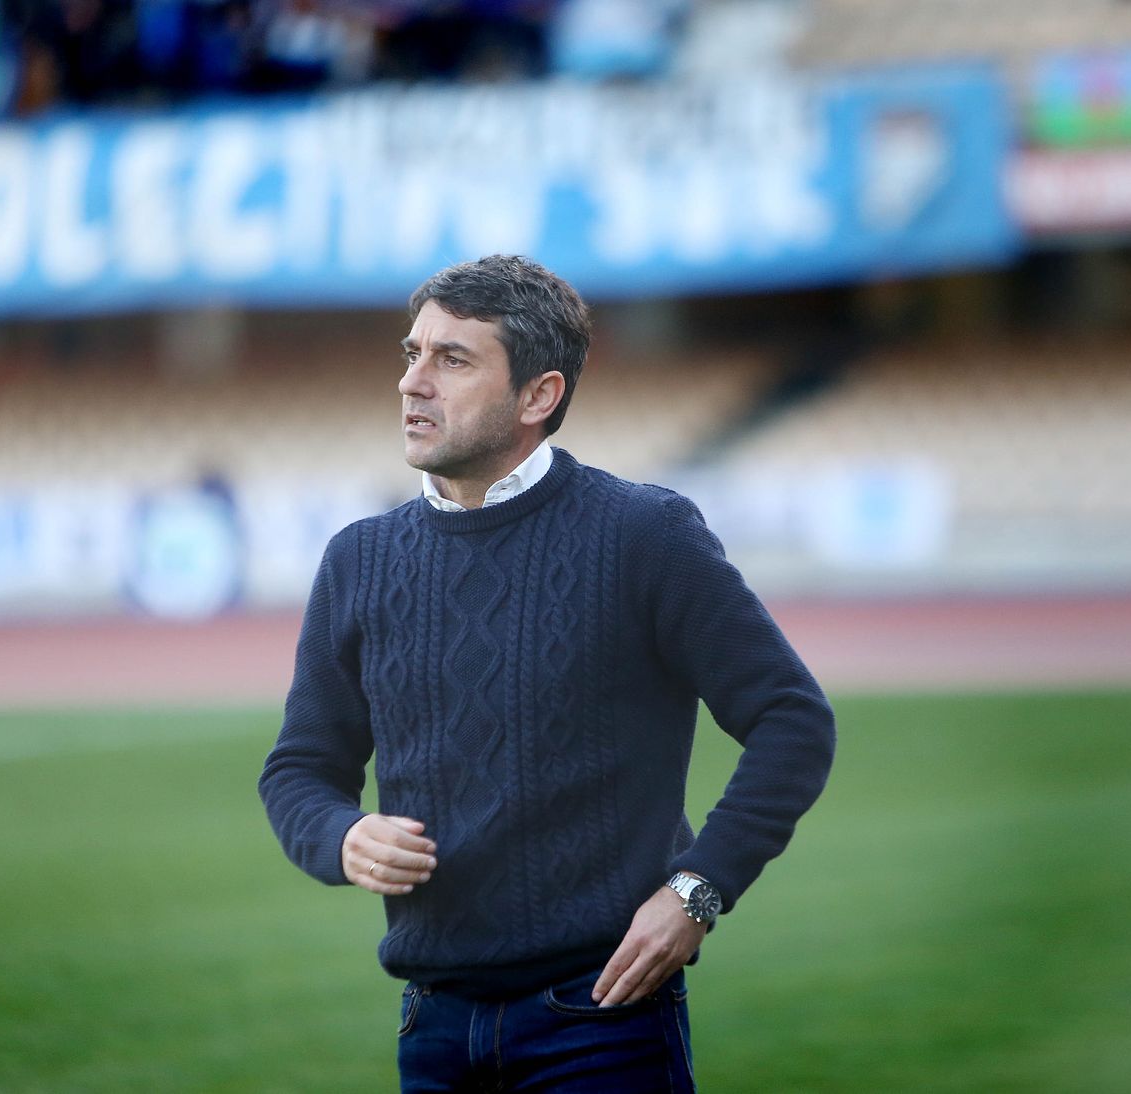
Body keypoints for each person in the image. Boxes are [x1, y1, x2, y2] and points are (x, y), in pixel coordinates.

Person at [259, 254, 835, 1092]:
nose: (413, 382)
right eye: (410, 353)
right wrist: (340, 835)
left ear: (539, 396)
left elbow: (792, 719)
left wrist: (698, 891)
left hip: (602, 1020)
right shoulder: (359, 559)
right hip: (431, 1025)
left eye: (452, 359)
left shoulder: (645, 535)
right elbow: (301, 769)